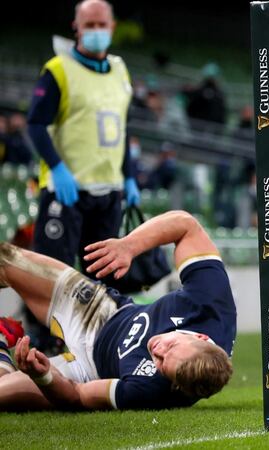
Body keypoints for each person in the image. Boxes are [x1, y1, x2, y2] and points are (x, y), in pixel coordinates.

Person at [0, 210, 236, 411]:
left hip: (87, 371)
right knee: (4, 258)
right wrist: (129, 245)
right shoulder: (211, 302)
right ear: (200, 336)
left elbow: (77, 394)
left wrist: (43, 376)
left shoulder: (152, 392)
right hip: (100, 311)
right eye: (171, 346)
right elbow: (186, 225)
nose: (157, 349)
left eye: (161, 364)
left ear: (175, 385)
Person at [27, 0, 140, 278]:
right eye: (90, 24)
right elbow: (36, 124)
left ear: (112, 27)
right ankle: (41, 325)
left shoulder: (119, 70)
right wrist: (57, 168)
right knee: (53, 279)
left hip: (108, 194)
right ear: (76, 27)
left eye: (102, 24)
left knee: (103, 283)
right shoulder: (58, 70)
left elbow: (122, 130)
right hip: (67, 192)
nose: (97, 30)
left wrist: (129, 176)